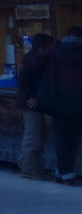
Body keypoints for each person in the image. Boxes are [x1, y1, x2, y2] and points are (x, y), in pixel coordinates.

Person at [45, 27, 82, 185]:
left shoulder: (54, 52)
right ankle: (67, 173)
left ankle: (62, 172)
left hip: (58, 103)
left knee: (61, 139)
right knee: (72, 140)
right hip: (77, 102)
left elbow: (33, 63)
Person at [18, 33, 55, 179]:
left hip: (33, 102)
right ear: (43, 47)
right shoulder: (34, 61)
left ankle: (32, 167)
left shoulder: (33, 59)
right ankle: (28, 169)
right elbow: (29, 82)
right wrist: (35, 97)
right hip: (31, 104)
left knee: (36, 137)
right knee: (33, 137)